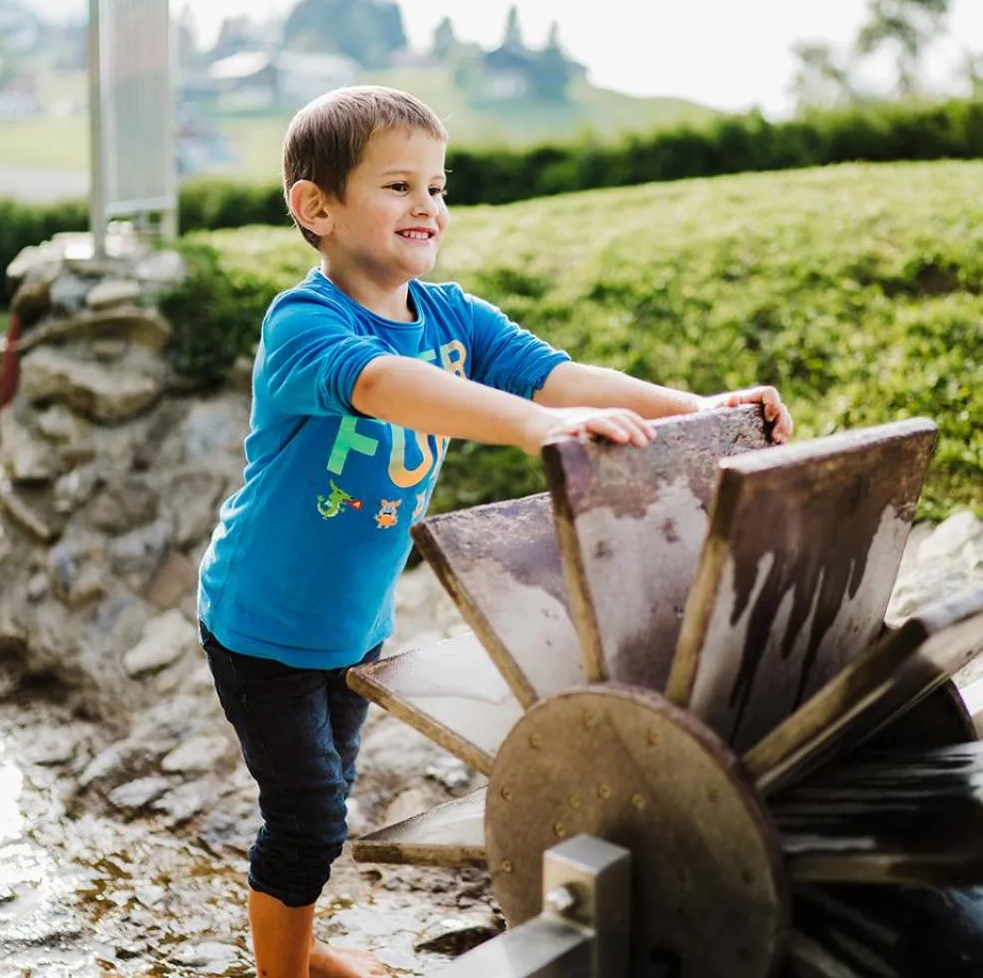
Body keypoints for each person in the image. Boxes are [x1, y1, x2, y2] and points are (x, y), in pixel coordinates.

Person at [195, 85, 794, 978]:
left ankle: (303, 941)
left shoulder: (454, 317)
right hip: (259, 626)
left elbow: (558, 376)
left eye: (438, 187)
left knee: (328, 792)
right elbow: (381, 385)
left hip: (351, 627)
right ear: (315, 206)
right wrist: (529, 427)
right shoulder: (304, 324)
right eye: (398, 186)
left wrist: (699, 411)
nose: (427, 206)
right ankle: (286, 970)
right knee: (310, 812)